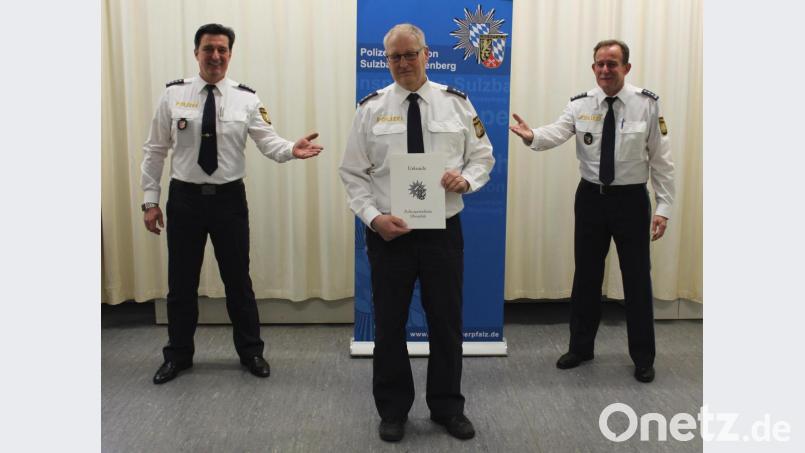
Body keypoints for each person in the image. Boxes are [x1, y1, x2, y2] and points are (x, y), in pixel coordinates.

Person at [141, 23, 323, 385]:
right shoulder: (173, 96)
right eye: (208, 49)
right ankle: (178, 355)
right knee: (181, 284)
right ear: (196, 53)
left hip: (228, 201)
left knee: (238, 281)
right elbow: (155, 150)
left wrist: (292, 149)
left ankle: (251, 352)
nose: (216, 56)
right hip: (185, 200)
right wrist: (150, 200)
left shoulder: (247, 98)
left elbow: (268, 141)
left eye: (222, 50)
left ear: (230, 54)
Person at [339, 24, 494, 442]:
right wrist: (373, 218)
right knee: (389, 325)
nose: (403, 64)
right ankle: (393, 410)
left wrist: (466, 180)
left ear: (427, 55)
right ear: (385, 60)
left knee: (446, 322)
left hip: (442, 231)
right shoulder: (370, 108)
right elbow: (352, 173)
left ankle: (447, 406)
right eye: (395, 57)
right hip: (390, 234)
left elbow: (483, 156)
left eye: (410, 55)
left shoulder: (456, 104)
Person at [509, 39, 674, 383]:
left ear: (626, 68)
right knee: (585, 276)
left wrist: (664, 207)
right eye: (599, 64)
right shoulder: (581, 104)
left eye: (612, 64)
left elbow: (662, 161)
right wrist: (531, 135)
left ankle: (643, 357)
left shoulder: (647, 105)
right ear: (593, 67)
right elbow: (557, 132)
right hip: (591, 199)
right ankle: (580, 347)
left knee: (637, 280)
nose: (604, 70)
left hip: (631, 200)